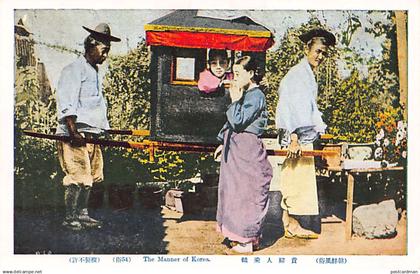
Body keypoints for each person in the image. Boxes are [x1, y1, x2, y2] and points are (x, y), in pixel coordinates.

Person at [55, 23, 120, 230]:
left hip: (91, 134)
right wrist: (73, 131)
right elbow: (67, 102)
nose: (105, 56)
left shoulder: (94, 72)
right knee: (76, 177)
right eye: (104, 50)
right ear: (91, 46)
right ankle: (70, 217)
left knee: (90, 177)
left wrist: (105, 131)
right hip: (74, 134)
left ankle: (82, 215)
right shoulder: (74, 69)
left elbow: (96, 106)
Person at [275, 28, 336, 239]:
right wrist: (293, 138)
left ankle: (290, 222)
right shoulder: (296, 75)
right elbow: (286, 107)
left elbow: (308, 109)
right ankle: (292, 224)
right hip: (296, 138)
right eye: (317, 51)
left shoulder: (308, 75)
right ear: (306, 49)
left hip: (304, 137)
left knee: (296, 179)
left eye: (323, 53)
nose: (320, 56)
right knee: (294, 179)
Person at [215, 56, 273, 253]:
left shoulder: (256, 96)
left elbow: (238, 121)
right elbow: (231, 124)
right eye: (234, 73)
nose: (234, 78)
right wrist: (223, 142)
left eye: (238, 74)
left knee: (246, 193)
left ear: (250, 74)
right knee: (234, 192)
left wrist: (235, 100)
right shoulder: (247, 94)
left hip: (247, 150)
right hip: (235, 149)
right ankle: (242, 236)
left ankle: (247, 240)